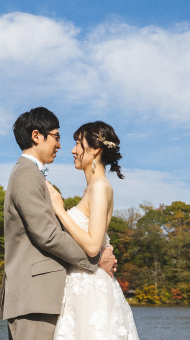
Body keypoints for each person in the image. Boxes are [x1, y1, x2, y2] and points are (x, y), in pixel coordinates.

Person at [0, 107, 117, 340]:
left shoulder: (33, 174)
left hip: (45, 298)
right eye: (56, 137)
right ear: (36, 136)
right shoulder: (26, 174)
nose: (62, 146)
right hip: (34, 298)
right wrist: (95, 258)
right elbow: (47, 235)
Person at [46, 121, 139, 340]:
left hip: (90, 290)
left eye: (79, 144)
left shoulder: (99, 187)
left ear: (95, 149)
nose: (73, 150)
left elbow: (92, 245)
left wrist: (60, 211)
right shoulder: (91, 188)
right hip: (80, 284)